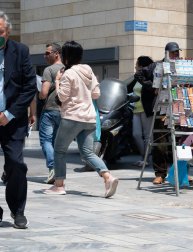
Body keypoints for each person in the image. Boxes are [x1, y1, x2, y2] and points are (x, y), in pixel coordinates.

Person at [43, 41, 118, 198]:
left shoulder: (68, 74)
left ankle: (59, 185)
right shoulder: (89, 70)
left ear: (66, 56)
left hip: (72, 117)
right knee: (88, 153)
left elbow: (62, 97)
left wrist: (57, 81)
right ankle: (108, 177)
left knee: (59, 150)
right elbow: (96, 94)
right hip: (89, 118)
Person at [0, 11, 37, 229]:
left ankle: (18, 210)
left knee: (16, 164)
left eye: (0, 32)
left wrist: (9, 114)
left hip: (13, 121)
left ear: (8, 32)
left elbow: (29, 86)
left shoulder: (20, 51)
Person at [134, 42, 181, 185]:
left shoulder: (181, 66)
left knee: (177, 142)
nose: (175, 55)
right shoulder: (156, 66)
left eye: (177, 52)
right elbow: (139, 74)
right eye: (173, 53)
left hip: (177, 109)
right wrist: (152, 87)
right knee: (160, 142)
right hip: (160, 109)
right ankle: (160, 173)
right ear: (166, 53)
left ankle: (179, 173)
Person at [38, 43, 64, 184]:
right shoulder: (68, 68)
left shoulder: (49, 70)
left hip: (50, 110)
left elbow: (44, 92)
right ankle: (58, 172)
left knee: (46, 140)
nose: (45, 56)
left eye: (48, 53)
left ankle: (53, 168)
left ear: (56, 54)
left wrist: (40, 96)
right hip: (64, 111)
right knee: (56, 142)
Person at [128, 56, 155, 167]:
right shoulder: (137, 78)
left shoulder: (148, 76)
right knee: (136, 134)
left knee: (148, 135)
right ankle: (143, 155)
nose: (135, 66)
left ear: (142, 65)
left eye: (137, 64)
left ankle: (146, 159)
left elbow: (151, 90)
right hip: (136, 109)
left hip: (146, 109)